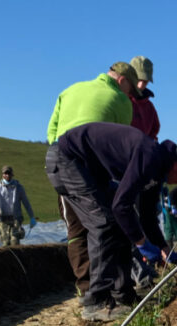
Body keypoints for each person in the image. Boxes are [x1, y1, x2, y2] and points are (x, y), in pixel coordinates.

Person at [45, 122, 177, 321]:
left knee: (119, 224)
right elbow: (121, 206)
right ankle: (96, 301)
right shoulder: (149, 156)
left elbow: (146, 215)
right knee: (104, 224)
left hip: (89, 169)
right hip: (68, 160)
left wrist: (163, 246)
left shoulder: (157, 171)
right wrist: (141, 243)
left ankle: (123, 295)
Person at [46, 62, 140, 299]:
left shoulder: (70, 90)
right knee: (105, 222)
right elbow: (118, 144)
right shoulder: (121, 101)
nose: (131, 95)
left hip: (59, 159)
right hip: (87, 164)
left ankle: (88, 288)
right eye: (131, 89)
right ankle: (104, 296)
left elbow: (51, 132)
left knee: (76, 230)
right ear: (122, 81)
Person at [0, 165, 36, 246]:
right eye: (5, 173)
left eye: (9, 173)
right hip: (2, 218)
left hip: (16, 218)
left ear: (12, 174)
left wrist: (32, 217)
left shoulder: (18, 187)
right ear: (2, 175)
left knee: (14, 241)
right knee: (6, 242)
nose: (7, 175)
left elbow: (26, 202)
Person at [128, 55, 160, 141]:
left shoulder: (150, 108)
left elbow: (153, 136)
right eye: (138, 79)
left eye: (145, 82)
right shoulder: (117, 99)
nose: (141, 85)